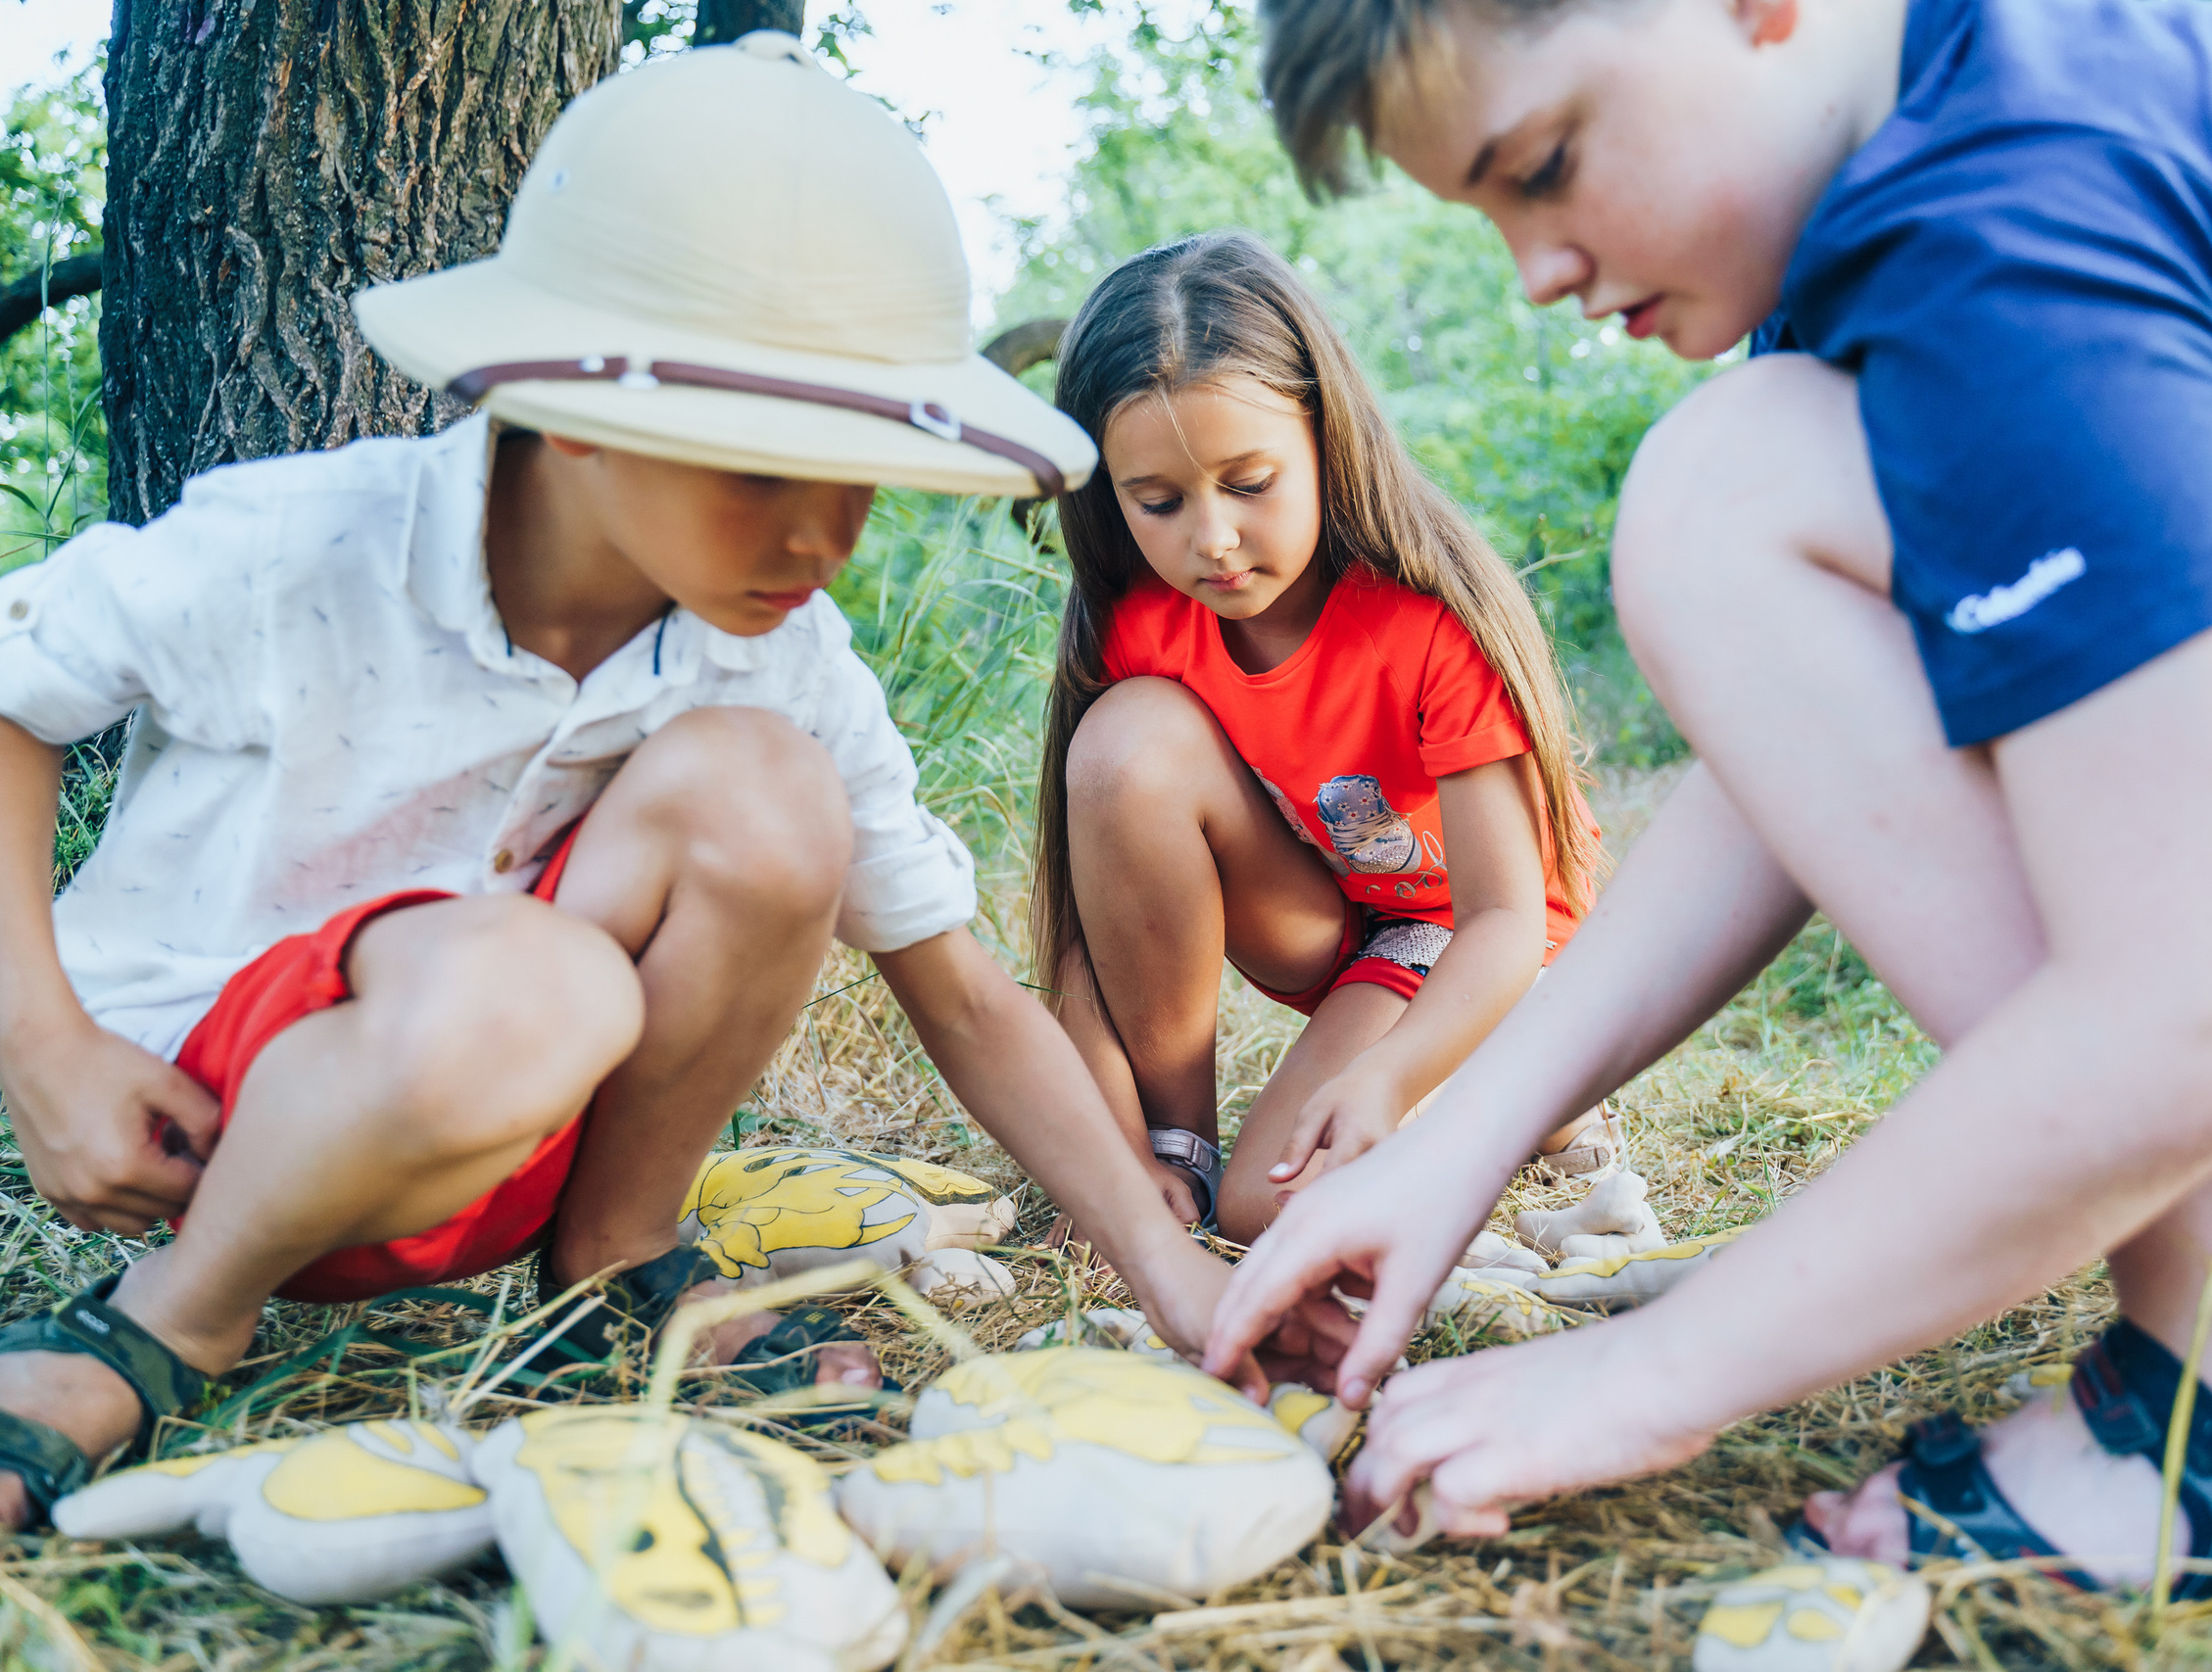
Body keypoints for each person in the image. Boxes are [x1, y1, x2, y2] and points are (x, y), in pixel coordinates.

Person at [1208, 0, 2212, 1605]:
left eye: (1542, 168)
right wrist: (1455, 1147)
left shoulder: (2014, 198)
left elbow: (2211, 1007)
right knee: (1762, 490)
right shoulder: (1919, 181)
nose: (1533, 269)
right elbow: (1814, 756)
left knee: (1723, 491)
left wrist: (1648, 1376)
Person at [0, 35, 1269, 1530]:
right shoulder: (303, 541)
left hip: (514, 1125)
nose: (823, 539)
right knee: (542, 985)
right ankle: (166, 1325)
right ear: (576, 403)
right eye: (761, 470)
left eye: (859, 473)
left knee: (770, 791)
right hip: (215, 1125)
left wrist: (1172, 1268)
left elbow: (968, 995)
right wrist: (48, 1051)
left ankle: (612, 1261)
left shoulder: (778, 653)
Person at [1031, 231, 1610, 1244]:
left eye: (1249, 482)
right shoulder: (1139, 626)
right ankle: (1181, 1148)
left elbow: (1504, 920)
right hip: (1328, 916)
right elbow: (1083, 928)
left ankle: (1537, 1070)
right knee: (1124, 747)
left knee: (1274, 1207)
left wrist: (1383, 1079)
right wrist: (1120, 1159)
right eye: (1158, 502)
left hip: (1478, 940)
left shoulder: (1429, 621)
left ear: (1326, 438)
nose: (1212, 538)